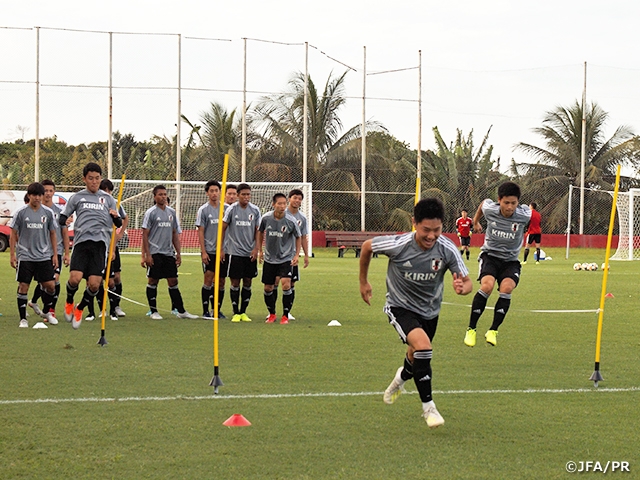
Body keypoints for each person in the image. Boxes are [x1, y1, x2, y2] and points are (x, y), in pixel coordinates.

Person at [359, 198, 472, 428]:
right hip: (400, 307)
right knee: (423, 347)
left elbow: (467, 282)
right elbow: (367, 247)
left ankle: (401, 378)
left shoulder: (447, 248)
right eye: (426, 230)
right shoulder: (399, 245)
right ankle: (429, 408)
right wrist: (364, 282)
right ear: (414, 223)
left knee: (416, 355)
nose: (431, 236)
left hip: (430, 311)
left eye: (437, 230)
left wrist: (463, 289)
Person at [463, 181, 531, 347]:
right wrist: (476, 221)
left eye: (513, 203)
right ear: (499, 200)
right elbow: (482, 204)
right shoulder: (490, 209)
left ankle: (493, 330)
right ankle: (471, 329)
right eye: (506, 203)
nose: (509, 207)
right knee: (487, 286)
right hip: (490, 256)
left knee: (507, 288)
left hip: (511, 261)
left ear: (518, 203)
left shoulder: (524, 215)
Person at [59, 162, 123, 329]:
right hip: (81, 243)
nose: (94, 182)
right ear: (84, 179)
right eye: (90, 179)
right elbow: (63, 217)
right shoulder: (77, 197)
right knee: (75, 279)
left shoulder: (108, 199)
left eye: (97, 178)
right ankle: (69, 300)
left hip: (100, 245)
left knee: (94, 285)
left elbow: (118, 222)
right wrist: (64, 220)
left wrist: (115, 216)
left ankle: (80, 308)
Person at [141, 185, 198, 320]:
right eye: (160, 194)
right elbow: (145, 234)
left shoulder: (171, 213)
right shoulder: (151, 213)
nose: (163, 197)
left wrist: (178, 253)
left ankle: (181, 311)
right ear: (155, 197)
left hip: (168, 253)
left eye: (165, 194)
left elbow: (174, 234)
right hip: (155, 252)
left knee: (173, 281)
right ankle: (154, 311)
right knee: (153, 280)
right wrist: (146, 255)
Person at [9, 182, 59, 327]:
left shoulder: (48, 213)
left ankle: (46, 312)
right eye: (34, 195)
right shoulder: (21, 212)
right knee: (23, 286)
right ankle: (23, 319)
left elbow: (53, 234)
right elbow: (13, 233)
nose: (37, 198)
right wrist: (13, 255)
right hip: (25, 256)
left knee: (50, 286)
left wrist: (55, 255)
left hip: (43, 256)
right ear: (29, 195)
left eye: (39, 195)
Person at [28, 179, 70, 321]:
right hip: (39, 252)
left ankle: (49, 310)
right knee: (44, 282)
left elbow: (64, 233)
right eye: (45, 191)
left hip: (55, 251)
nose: (48, 194)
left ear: (54, 192)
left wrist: (66, 253)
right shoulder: (35, 211)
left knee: (54, 279)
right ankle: (34, 302)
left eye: (50, 191)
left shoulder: (60, 212)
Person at [257, 193, 301, 325]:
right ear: (273, 204)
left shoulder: (291, 220)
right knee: (268, 288)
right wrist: (260, 250)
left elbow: (298, 236)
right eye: (279, 204)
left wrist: (297, 255)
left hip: (285, 258)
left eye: (284, 203)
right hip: (270, 259)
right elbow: (260, 232)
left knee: (286, 284)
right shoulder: (266, 218)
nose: (282, 206)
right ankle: (272, 314)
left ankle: (285, 316)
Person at [221, 183, 261, 323]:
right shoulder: (232, 209)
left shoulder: (255, 210)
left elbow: (258, 230)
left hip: (249, 252)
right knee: (235, 281)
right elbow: (223, 228)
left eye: (248, 194)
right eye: (243, 194)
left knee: (248, 281)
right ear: (238, 195)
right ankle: (235, 312)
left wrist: (256, 248)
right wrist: (221, 249)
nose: (246, 197)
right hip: (234, 252)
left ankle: (244, 311)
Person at [93, 179, 128, 320]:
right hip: (99, 246)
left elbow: (125, 218)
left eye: (109, 191)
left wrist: (120, 234)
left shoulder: (114, 202)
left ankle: (116, 305)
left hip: (112, 246)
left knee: (115, 278)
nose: (107, 193)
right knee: (99, 279)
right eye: (104, 190)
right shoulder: (96, 203)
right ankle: (102, 307)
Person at [195, 180, 226, 318]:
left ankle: (217, 309)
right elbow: (200, 231)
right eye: (211, 191)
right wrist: (203, 251)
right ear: (207, 193)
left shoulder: (226, 208)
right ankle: (205, 310)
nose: (214, 193)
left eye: (216, 190)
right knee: (208, 278)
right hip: (210, 250)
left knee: (221, 281)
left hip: (223, 251)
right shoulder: (203, 210)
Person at [285, 188, 309, 320]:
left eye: (299, 199)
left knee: (291, 283)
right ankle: (271, 311)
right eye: (295, 197)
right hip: (279, 255)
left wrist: (305, 255)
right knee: (276, 282)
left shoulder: (302, 218)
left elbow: (304, 236)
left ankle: (287, 311)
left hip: (293, 255)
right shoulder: (281, 214)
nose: (297, 200)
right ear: (289, 199)